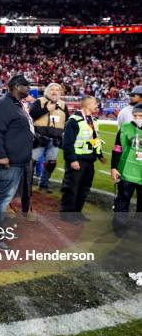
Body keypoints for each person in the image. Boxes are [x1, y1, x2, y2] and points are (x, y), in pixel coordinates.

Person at [0, 75, 35, 250]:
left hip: (18, 159)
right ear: (15, 86)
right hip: (9, 161)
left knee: (5, 196)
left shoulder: (16, 104)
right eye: (25, 85)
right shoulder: (2, 105)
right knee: (3, 197)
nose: (29, 88)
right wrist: (1, 156)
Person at [59, 96, 105, 219]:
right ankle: (66, 214)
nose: (97, 105)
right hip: (77, 160)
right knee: (72, 188)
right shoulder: (73, 121)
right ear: (87, 105)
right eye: (95, 103)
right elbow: (67, 143)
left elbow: (94, 139)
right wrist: (72, 160)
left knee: (84, 188)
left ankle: (77, 212)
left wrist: (99, 155)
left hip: (89, 161)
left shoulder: (93, 120)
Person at [28, 82, 69, 192]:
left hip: (55, 140)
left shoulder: (63, 105)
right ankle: (26, 185)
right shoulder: (39, 102)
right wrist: (46, 109)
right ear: (46, 91)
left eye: (57, 90)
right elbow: (31, 115)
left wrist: (62, 135)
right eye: (52, 89)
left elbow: (67, 122)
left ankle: (43, 184)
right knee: (32, 162)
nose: (54, 91)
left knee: (51, 163)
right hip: (39, 139)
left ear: (60, 92)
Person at [111, 102, 141, 233]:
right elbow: (117, 149)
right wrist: (113, 167)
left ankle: (139, 227)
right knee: (122, 201)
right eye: (135, 115)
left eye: (141, 115)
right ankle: (119, 227)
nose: (138, 118)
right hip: (126, 172)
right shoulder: (125, 127)